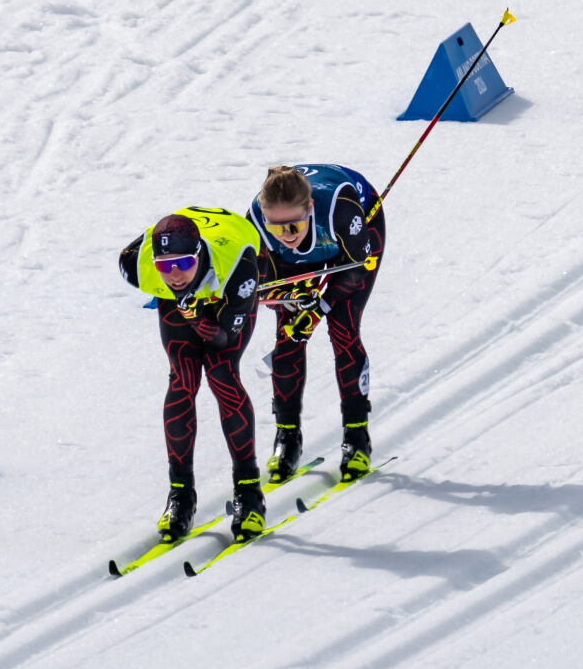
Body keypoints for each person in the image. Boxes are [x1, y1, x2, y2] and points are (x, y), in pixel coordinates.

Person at [119, 207, 266, 542]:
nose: (175, 274)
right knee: (182, 379)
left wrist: (196, 314)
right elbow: (167, 277)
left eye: (183, 263)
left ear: (198, 255)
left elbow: (224, 336)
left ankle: (249, 491)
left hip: (228, 283)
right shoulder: (135, 264)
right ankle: (181, 494)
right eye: (165, 266)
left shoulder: (237, 267)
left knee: (221, 373)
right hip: (188, 299)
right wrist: (185, 304)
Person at [248, 164, 386, 484]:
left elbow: (354, 272)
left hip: (351, 240)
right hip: (297, 257)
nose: (286, 236)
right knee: (289, 336)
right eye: (276, 228)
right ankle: (287, 438)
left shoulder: (339, 208)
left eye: (293, 226)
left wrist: (320, 306)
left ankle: (356, 437)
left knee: (343, 329)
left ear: (309, 208)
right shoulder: (255, 220)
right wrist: (293, 300)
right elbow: (263, 282)